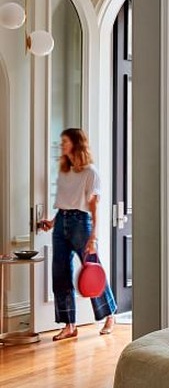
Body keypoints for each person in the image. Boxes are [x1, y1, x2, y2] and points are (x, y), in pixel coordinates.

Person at [38, 128, 116, 341]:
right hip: (62, 221)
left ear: (76, 144)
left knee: (93, 271)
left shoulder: (91, 172)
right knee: (60, 275)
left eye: (65, 141)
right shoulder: (64, 172)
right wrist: (53, 223)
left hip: (82, 224)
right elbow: (64, 203)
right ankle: (69, 325)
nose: (62, 145)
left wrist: (93, 237)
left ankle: (109, 315)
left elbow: (94, 208)